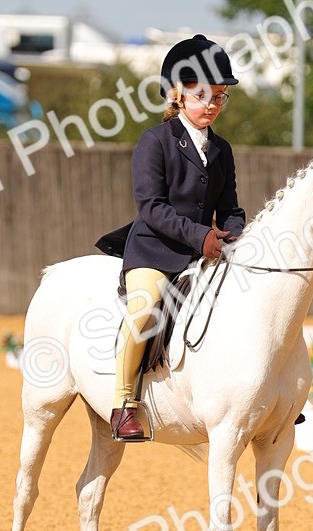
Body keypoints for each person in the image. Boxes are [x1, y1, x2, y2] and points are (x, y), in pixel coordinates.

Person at [96, 34, 246, 441]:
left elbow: (230, 207)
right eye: (203, 95)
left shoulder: (222, 149)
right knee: (144, 311)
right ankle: (124, 403)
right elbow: (152, 208)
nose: (212, 105)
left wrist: (234, 235)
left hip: (204, 252)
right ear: (178, 95)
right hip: (156, 251)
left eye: (219, 96)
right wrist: (203, 238)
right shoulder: (155, 141)